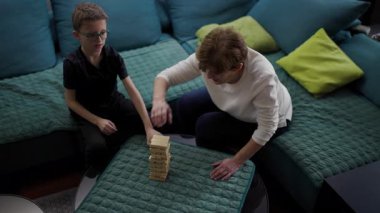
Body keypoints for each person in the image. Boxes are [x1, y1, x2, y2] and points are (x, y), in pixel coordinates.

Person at [150, 27, 292, 181]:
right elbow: (165, 76)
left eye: (216, 73)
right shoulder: (208, 59)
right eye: (205, 70)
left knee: (205, 126)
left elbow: (267, 128)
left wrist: (236, 161)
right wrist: (159, 100)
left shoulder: (263, 79)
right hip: (233, 103)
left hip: (265, 120)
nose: (208, 76)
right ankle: (203, 140)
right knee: (186, 103)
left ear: (238, 67)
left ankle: (219, 154)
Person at [63, 3, 159, 177]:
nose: (99, 40)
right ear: (77, 36)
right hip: (88, 111)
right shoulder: (71, 64)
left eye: (103, 33)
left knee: (147, 119)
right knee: (97, 148)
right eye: (91, 35)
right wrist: (98, 121)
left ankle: (120, 144)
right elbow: (70, 101)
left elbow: (132, 90)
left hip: (113, 101)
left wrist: (148, 127)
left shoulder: (112, 56)